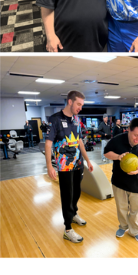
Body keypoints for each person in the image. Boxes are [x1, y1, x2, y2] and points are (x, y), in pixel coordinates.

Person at [44, 91, 95, 244]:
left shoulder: (76, 120)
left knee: (77, 192)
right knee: (67, 196)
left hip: (78, 164)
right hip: (64, 166)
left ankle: (73, 214)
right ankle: (67, 229)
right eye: (78, 104)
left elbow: (79, 141)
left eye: (82, 105)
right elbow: (48, 143)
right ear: (70, 102)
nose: (80, 107)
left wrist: (87, 160)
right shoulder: (55, 119)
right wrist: (49, 165)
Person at [103, 117, 138, 242]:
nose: (137, 138)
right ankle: (123, 226)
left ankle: (134, 231)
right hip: (119, 182)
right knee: (121, 207)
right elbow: (106, 153)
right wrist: (118, 156)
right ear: (129, 131)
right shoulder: (117, 140)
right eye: (135, 135)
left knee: (136, 209)